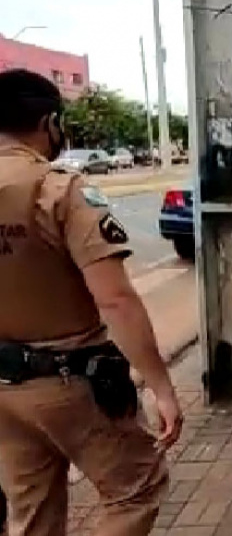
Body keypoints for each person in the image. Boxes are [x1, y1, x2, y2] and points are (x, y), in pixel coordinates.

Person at [0, 69, 182, 535]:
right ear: (50, 123)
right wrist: (161, 387)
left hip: (5, 389)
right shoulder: (60, 189)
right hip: (73, 381)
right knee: (137, 487)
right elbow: (116, 300)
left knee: (31, 514)